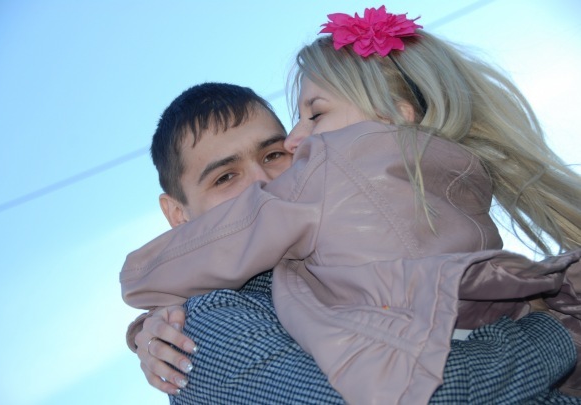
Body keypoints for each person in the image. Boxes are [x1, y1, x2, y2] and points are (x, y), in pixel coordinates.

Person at [121, 5, 581, 403]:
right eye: (225, 177)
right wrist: (558, 332)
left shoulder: (345, 209)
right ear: (178, 216)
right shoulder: (198, 330)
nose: (263, 182)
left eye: (274, 154)